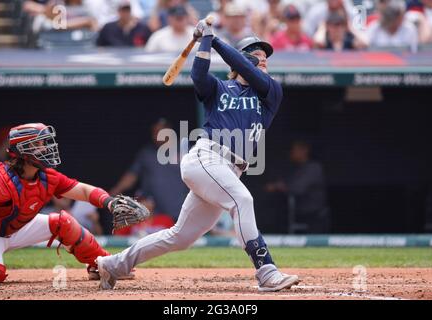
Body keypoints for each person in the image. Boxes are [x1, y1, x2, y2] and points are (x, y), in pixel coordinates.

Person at [97, 22, 300, 292]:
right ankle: (266, 271)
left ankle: (113, 265)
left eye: (266, 59)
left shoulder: (270, 92)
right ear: (239, 61)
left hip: (229, 170)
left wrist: (213, 39)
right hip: (207, 157)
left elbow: (248, 68)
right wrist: (205, 42)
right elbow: (198, 74)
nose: (264, 62)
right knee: (242, 200)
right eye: (257, 56)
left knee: (180, 237)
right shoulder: (219, 88)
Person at [0, 123, 138, 283]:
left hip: (18, 229)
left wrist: (110, 203)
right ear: (22, 150)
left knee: (62, 222)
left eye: (44, 143)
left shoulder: (48, 177)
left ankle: (106, 265)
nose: (45, 148)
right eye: (37, 144)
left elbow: (84, 191)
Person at [110, 119, 188, 221]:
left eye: (160, 132)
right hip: (156, 214)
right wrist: (115, 191)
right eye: (154, 132)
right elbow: (132, 175)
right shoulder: (146, 154)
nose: (156, 136)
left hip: (182, 210)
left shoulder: (184, 149)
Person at [265, 141, 329, 233]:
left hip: (313, 213)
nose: (291, 153)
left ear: (304, 150)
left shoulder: (313, 168)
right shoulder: (296, 168)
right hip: (297, 211)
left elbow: (298, 189)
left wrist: (278, 186)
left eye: (294, 150)